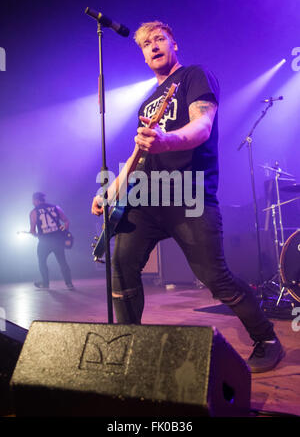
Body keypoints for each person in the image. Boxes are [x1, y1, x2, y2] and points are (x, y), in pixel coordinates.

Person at [91, 21, 284, 373]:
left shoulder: (195, 77)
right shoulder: (147, 103)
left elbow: (201, 127)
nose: (153, 46)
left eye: (159, 39)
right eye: (146, 43)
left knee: (215, 278)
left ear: (173, 43)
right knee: (121, 266)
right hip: (148, 198)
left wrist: (168, 141)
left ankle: (267, 339)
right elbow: (138, 156)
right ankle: (131, 348)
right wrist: (111, 189)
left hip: (189, 194)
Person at [29, 192, 74, 290]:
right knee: (62, 262)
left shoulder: (34, 212)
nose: (32, 202)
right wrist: (64, 230)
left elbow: (33, 230)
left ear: (36, 200)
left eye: (33, 200)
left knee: (42, 262)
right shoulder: (56, 208)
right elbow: (66, 221)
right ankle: (69, 283)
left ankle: (46, 284)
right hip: (57, 240)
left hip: (44, 242)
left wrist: (35, 233)